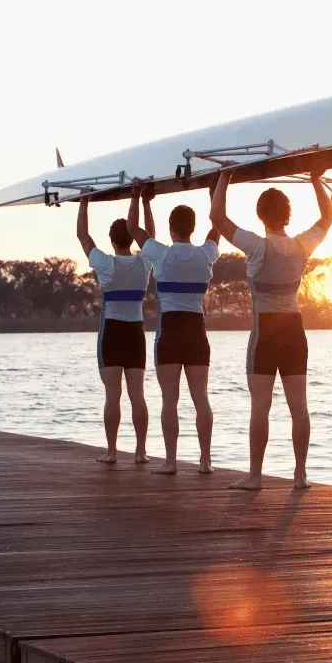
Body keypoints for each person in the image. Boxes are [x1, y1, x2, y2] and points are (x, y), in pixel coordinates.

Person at [209, 169, 332, 490]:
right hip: (294, 331)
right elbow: (328, 216)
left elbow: (217, 217)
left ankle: (254, 476)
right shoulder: (301, 245)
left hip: (265, 332)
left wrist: (224, 176)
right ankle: (300, 475)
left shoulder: (256, 245)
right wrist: (315, 180)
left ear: (260, 215)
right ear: (287, 215)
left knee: (260, 407)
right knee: (299, 406)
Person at [127, 183, 222, 475]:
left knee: (170, 398)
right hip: (196, 330)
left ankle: (170, 461)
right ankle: (205, 462)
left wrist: (139, 197)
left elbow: (133, 228)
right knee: (201, 397)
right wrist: (214, 192)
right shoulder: (206, 254)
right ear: (192, 227)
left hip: (169, 330)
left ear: (171, 229)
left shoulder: (161, 254)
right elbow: (217, 225)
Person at [75, 194, 153, 464]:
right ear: (132, 239)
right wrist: (145, 203)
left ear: (111, 241)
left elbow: (83, 236)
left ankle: (111, 451)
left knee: (113, 395)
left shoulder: (106, 264)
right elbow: (150, 238)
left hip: (112, 332)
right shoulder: (144, 264)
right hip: (135, 332)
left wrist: (83, 201)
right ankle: (141, 452)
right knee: (137, 394)